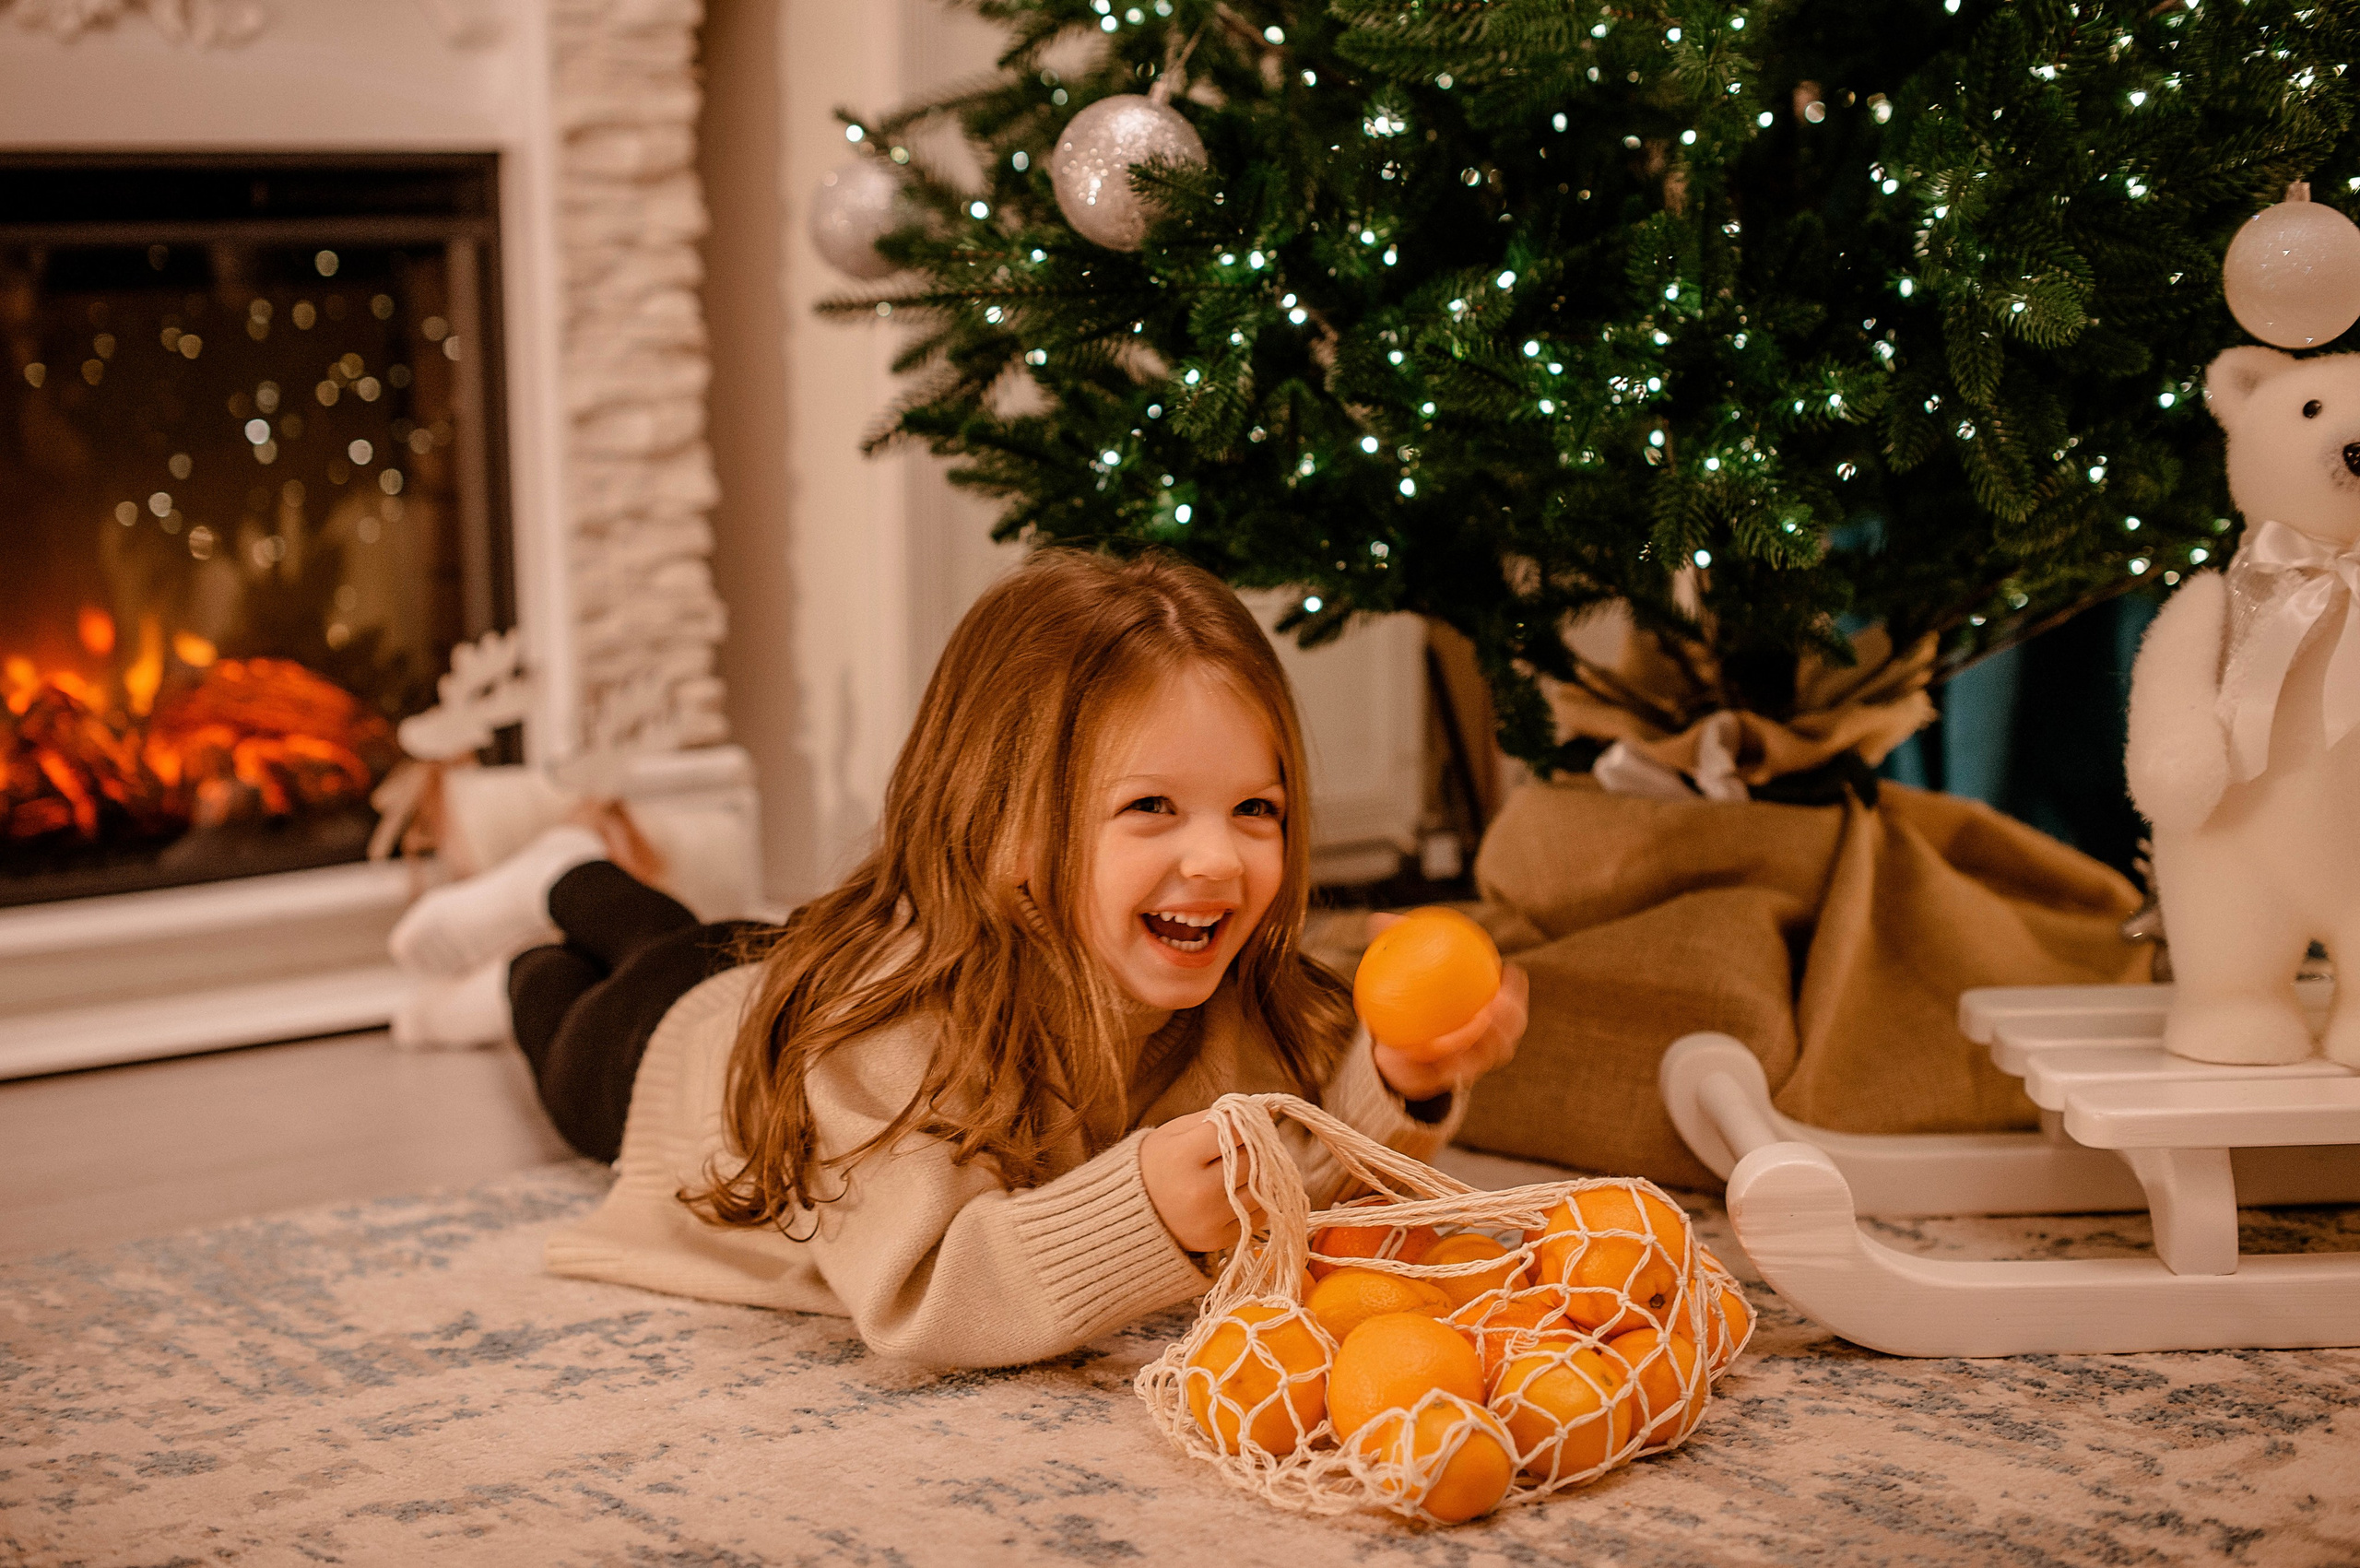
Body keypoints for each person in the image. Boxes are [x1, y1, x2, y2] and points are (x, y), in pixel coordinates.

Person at [388, 549, 1526, 1368]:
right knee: (576, 999)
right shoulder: (880, 1038)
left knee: (681, 930)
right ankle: (534, 922)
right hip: (676, 1050)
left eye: (1254, 809)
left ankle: (570, 873)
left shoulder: (1214, 987)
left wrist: (1406, 1076)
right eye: (1151, 808)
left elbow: (1307, 1149)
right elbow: (924, 1290)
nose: (1219, 860)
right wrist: (1149, 1215)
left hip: (800, 957)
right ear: (1007, 828)